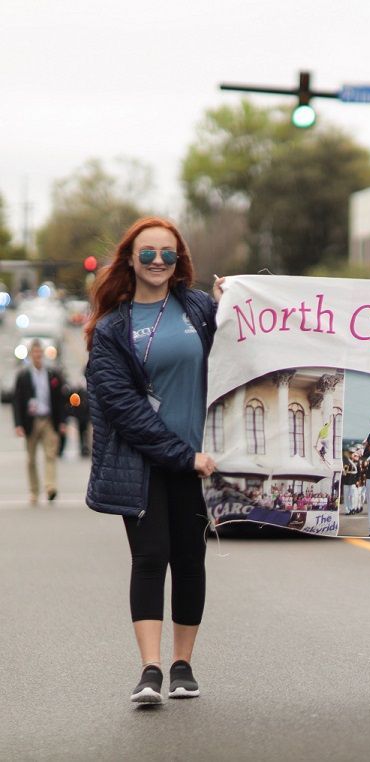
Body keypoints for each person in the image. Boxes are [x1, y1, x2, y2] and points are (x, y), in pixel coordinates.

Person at [84, 216, 222, 703]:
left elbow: (247, 343)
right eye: (148, 254)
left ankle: (183, 664)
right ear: (130, 260)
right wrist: (182, 456)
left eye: (168, 253)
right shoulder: (112, 329)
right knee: (150, 559)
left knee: (190, 559)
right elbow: (123, 410)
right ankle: (151, 669)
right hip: (145, 462)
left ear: (179, 260)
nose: (159, 261)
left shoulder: (200, 308)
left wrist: (239, 300)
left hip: (199, 459)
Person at [12, 339, 68, 504]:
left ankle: (50, 487)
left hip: (48, 419)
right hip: (31, 421)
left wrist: (62, 422)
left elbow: (60, 399)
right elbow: (17, 401)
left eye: (39, 353)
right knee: (31, 459)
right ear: (31, 355)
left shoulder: (52, 374)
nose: (37, 356)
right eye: (34, 353)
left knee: (50, 454)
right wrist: (18, 424)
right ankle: (34, 491)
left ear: (42, 354)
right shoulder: (23, 376)